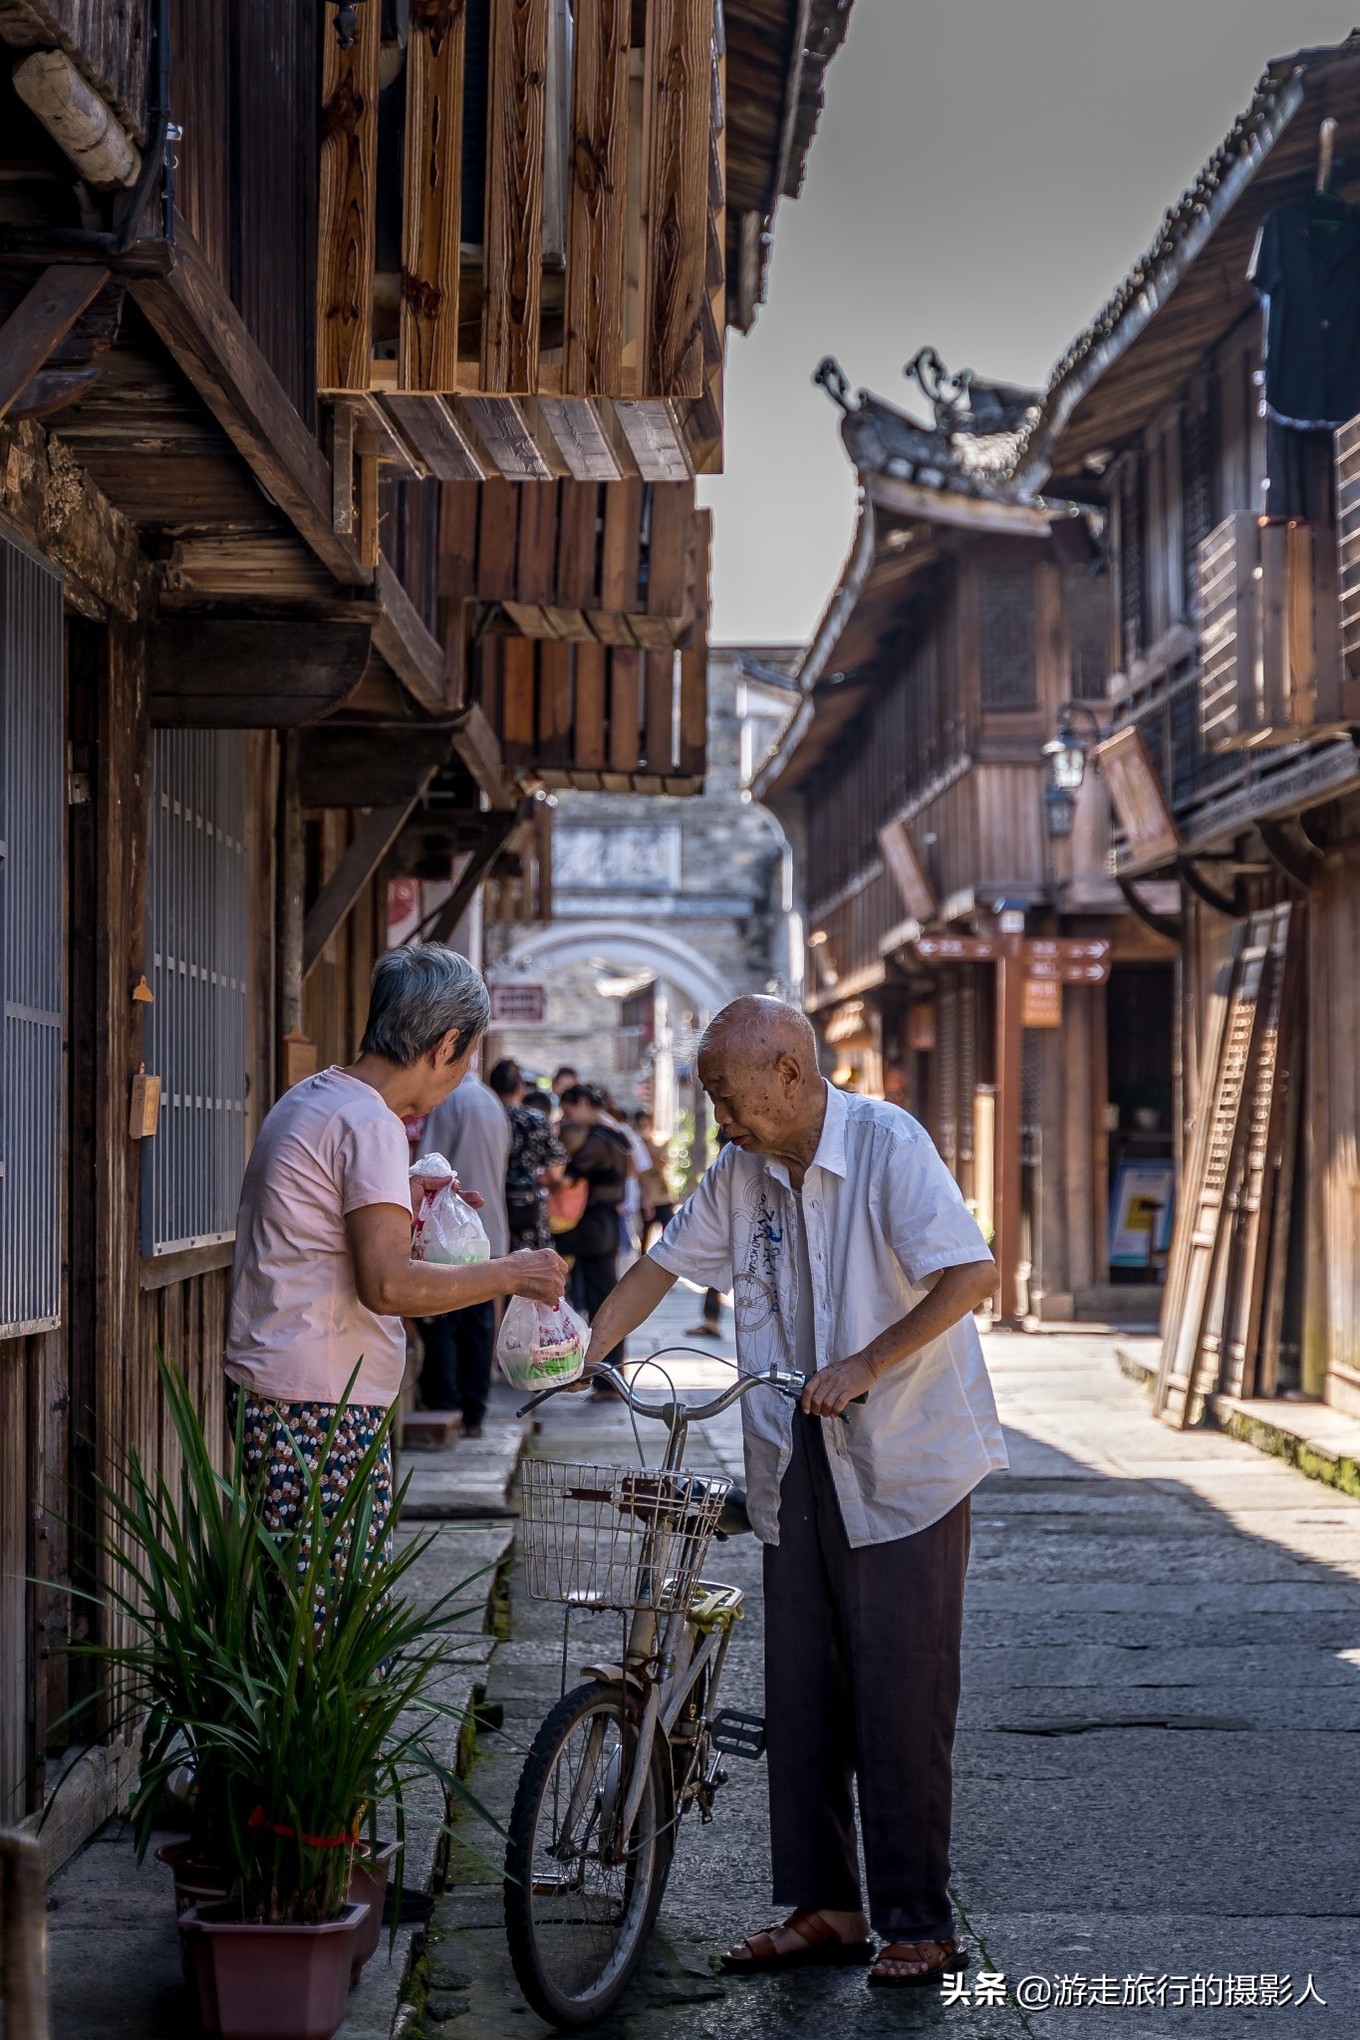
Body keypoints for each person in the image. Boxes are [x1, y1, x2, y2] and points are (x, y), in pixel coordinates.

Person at [583, 996, 1003, 1990]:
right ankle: (828, 1908)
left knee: (900, 1691)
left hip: (907, 1454)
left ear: (787, 1072)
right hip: (795, 1446)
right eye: (711, 1098)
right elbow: (659, 1267)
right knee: (803, 1690)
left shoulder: (887, 1143)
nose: (720, 1117)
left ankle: (919, 1920)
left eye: (728, 1095)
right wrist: (580, 1351)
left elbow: (970, 1275)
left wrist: (865, 1361)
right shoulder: (741, 1169)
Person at [224, 946, 566, 1561]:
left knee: (302, 1593)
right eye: (467, 1056)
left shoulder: (314, 1098)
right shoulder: (371, 1122)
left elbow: (326, 1237)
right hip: (321, 1399)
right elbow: (388, 1286)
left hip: (286, 1384)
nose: (461, 1075)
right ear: (446, 1044)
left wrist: (410, 1203)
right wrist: (511, 1273)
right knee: (332, 1599)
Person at [418, 1065, 512, 1439]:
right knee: (477, 1324)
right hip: (487, 1232)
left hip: (452, 1239)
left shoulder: (450, 1100)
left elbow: (428, 1166)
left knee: (444, 1322)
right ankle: (474, 1410)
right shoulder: (490, 1100)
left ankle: (445, 1405)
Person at [555, 1082, 632, 1327]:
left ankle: (602, 1349)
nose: (567, 1119)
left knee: (598, 1296)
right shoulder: (617, 1135)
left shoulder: (598, 1139)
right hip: (609, 1222)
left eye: (568, 1112)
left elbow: (567, 1178)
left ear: (583, 1104)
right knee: (603, 1291)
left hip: (595, 1223)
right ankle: (608, 1350)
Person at [489, 1057, 567, 1251]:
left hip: (489, 1200)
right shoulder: (535, 1119)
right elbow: (556, 1170)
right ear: (520, 1087)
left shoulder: (486, 1118)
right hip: (526, 1205)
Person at [634, 1108, 674, 1248]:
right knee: (644, 1237)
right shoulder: (637, 1144)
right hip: (645, 1195)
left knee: (668, 1232)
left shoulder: (658, 1141)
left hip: (662, 1194)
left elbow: (664, 1161)